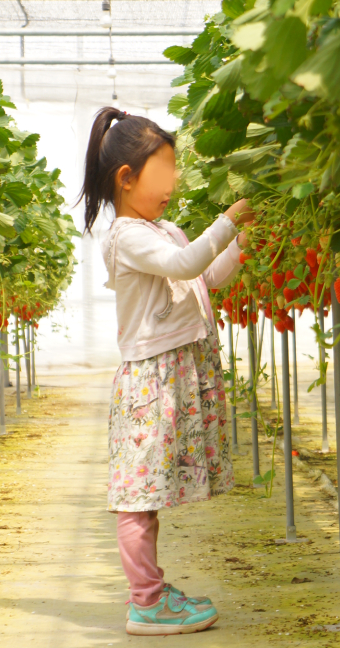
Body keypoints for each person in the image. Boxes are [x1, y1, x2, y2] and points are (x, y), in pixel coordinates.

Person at [79, 107, 253, 636]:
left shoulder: (164, 229)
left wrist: (242, 241)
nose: (176, 178)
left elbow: (207, 277)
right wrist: (227, 220)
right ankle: (145, 603)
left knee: (147, 495)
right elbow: (183, 265)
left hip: (174, 375)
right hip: (150, 383)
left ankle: (151, 591)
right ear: (126, 178)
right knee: (137, 497)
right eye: (168, 166)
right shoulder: (126, 237)